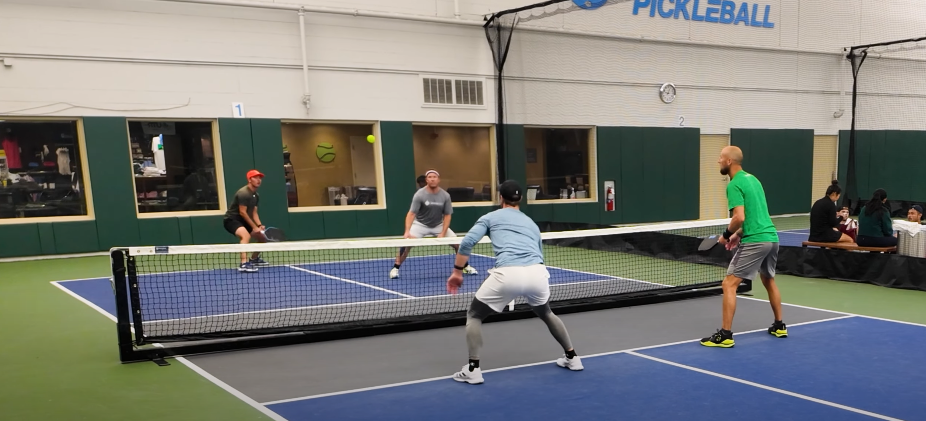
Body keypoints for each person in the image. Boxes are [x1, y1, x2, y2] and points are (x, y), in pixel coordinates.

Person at [446, 180, 582, 384]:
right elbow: (539, 253)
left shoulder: (490, 217)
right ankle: (572, 357)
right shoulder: (530, 222)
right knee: (546, 312)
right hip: (537, 272)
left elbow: (466, 242)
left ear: (500, 197)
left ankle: (473, 369)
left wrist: (457, 271)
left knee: (474, 315)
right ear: (520, 200)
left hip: (508, 273)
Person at [702, 146, 786, 348]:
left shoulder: (733, 185)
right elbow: (756, 215)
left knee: (728, 284)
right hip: (771, 237)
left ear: (729, 161)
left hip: (756, 241)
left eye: (721, 158)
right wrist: (738, 235)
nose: (718, 161)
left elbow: (739, 217)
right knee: (769, 280)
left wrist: (726, 235)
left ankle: (725, 335)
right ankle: (779, 325)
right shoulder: (753, 180)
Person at [390, 169, 477, 279]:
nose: (432, 179)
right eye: (430, 177)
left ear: (438, 179)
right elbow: (411, 213)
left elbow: (447, 215)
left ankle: (465, 266)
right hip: (420, 224)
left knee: (458, 244)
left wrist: (443, 232)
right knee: (406, 244)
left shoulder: (445, 196)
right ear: (426, 180)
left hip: (438, 225)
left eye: (434, 177)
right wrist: (407, 231)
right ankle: (395, 268)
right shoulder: (419, 195)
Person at [223, 169, 268, 272]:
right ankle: (243, 264)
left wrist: (259, 225)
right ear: (249, 179)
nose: (258, 180)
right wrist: (254, 227)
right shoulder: (244, 193)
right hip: (231, 220)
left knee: (262, 238)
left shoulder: (256, 195)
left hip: (243, 220)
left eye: (259, 178)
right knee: (246, 236)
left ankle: (254, 259)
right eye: (255, 178)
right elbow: (242, 212)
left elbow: (254, 212)